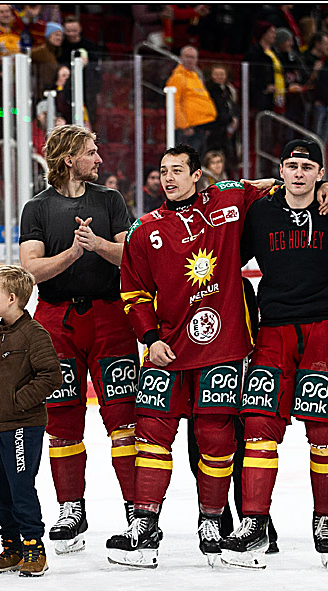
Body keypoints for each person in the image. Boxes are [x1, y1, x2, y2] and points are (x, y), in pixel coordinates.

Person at [111, 145, 281, 568]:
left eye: (177, 170)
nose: (168, 178)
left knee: (216, 436)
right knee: (151, 433)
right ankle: (144, 524)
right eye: (163, 171)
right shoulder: (143, 230)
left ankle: (212, 522)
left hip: (222, 344)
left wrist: (322, 186)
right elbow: (133, 293)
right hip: (165, 350)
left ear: (197, 174)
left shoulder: (227, 197)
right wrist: (150, 338)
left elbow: (277, 187)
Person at [222, 139, 328, 570]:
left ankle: (325, 520)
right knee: (259, 426)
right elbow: (226, 257)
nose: (299, 173)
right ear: (280, 171)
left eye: (307, 166)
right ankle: (254, 521)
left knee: (325, 431)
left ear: (320, 172)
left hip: (326, 327)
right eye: (291, 165)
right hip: (274, 328)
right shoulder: (260, 213)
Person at [19, 125, 141, 555]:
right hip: (57, 321)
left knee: (124, 420)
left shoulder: (111, 200)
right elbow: (30, 270)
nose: (99, 159)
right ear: (69, 158)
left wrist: (97, 244)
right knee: (62, 421)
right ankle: (71, 509)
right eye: (91, 152)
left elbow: (131, 256)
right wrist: (72, 253)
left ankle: (137, 512)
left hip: (111, 317)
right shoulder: (36, 208)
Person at [0, 266, 62, 576]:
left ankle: (34, 548)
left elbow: (51, 376)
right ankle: (12, 547)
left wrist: (17, 403)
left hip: (22, 427)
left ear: (12, 298)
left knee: (20, 489)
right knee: (0, 492)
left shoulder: (34, 333)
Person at [165, 46, 217, 154]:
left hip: (201, 127)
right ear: (181, 57)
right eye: (187, 56)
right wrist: (184, 126)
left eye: (193, 57)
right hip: (189, 129)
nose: (190, 60)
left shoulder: (195, 76)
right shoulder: (178, 77)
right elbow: (174, 103)